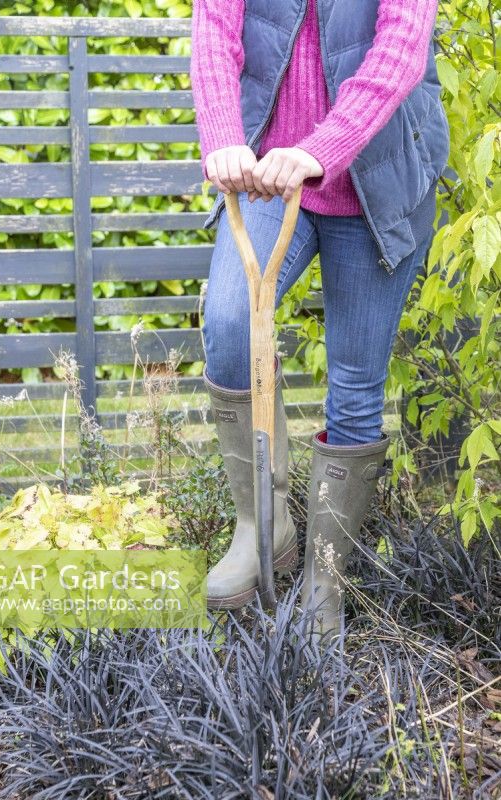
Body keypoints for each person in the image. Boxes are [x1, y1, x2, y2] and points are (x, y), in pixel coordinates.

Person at [190, 0, 450, 634]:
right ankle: (263, 525)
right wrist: (224, 132)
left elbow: (399, 51)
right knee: (228, 326)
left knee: (355, 385)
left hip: (377, 174)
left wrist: (320, 149)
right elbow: (214, 30)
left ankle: (324, 583)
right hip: (269, 178)